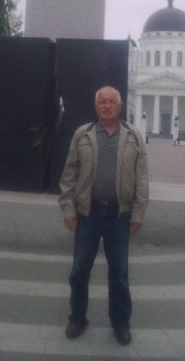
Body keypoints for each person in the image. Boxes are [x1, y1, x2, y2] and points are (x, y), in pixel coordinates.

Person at [58, 86, 149, 345]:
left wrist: (138, 213)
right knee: (79, 271)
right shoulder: (83, 134)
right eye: (103, 102)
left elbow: (142, 177)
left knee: (119, 273)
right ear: (96, 106)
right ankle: (78, 318)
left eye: (112, 102)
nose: (107, 106)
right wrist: (68, 209)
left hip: (119, 215)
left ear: (120, 106)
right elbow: (69, 174)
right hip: (88, 213)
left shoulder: (133, 136)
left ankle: (120, 323)